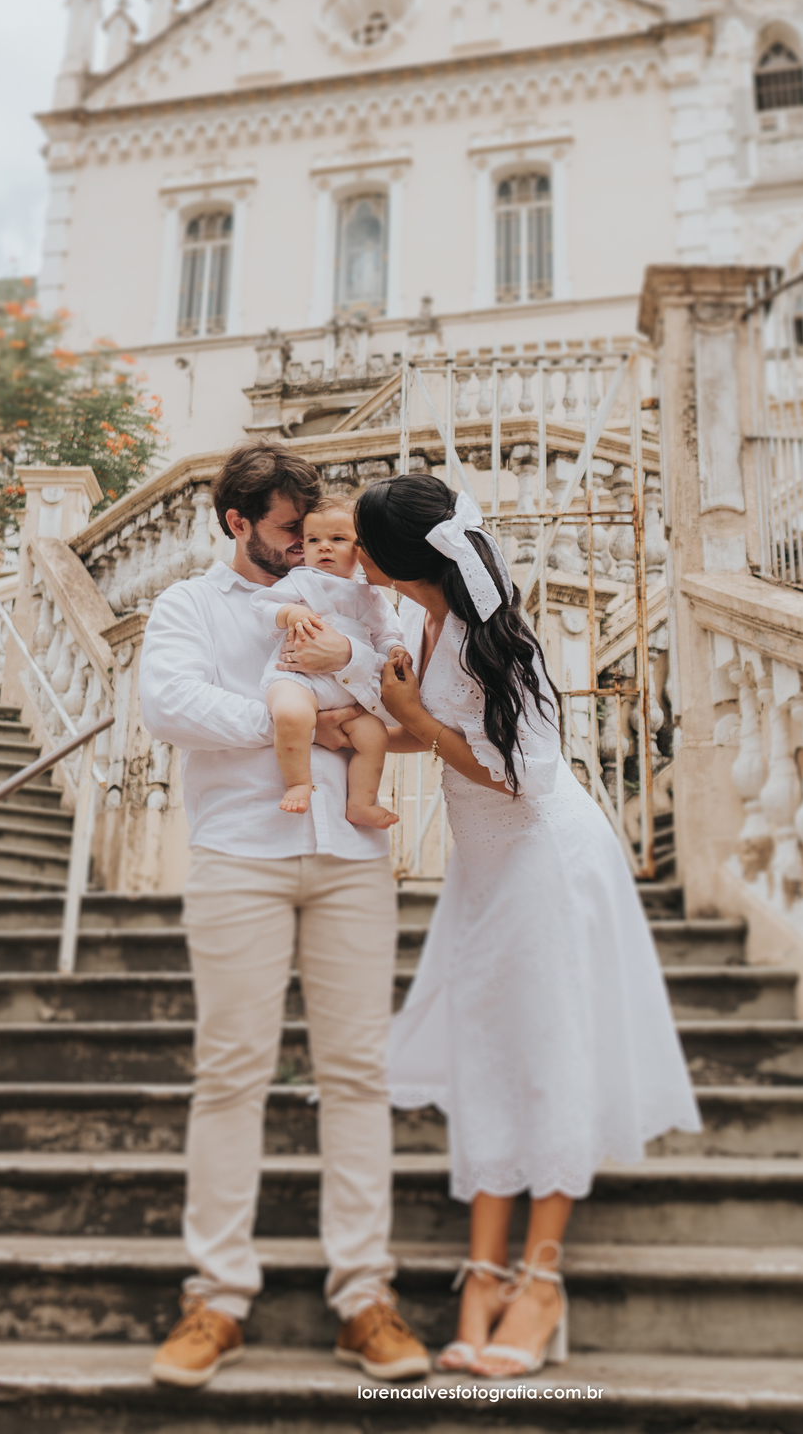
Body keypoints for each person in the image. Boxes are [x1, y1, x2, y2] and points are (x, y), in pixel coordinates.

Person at [353, 473, 701, 1380]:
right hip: (486, 869)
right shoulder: (425, 624)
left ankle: (538, 1281)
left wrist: (413, 718)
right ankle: (482, 1273)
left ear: (393, 562)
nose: (352, 557)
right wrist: (350, 726)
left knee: (551, 1056)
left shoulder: (493, 640)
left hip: (547, 861)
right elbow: (430, 729)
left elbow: (523, 774)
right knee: (486, 1054)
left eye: (361, 545)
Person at [140, 441, 430, 1390]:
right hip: (239, 855)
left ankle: (364, 1297)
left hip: (352, 859)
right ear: (238, 523)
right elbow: (169, 705)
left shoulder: (361, 601)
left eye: (317, 529)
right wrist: (295, 721)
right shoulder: (189, 605)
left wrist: (354, 674)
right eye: (289, 530)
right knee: (231, 1073)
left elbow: (408, 702)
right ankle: (218, 1298)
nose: (311, 545)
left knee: (359, 1075)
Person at [254, 496, 406, 828]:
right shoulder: (298, 582)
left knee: (374, 736)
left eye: (337, 539)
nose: (324, 547)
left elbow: (386, 633)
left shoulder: (371, 596)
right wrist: (289, 613)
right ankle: (298, 782)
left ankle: (361, 802)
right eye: (313, 540)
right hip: (299, 679)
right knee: (291, 714)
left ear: (359, 549)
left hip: (349, 693)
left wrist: (394, 649)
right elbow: (263, 607)